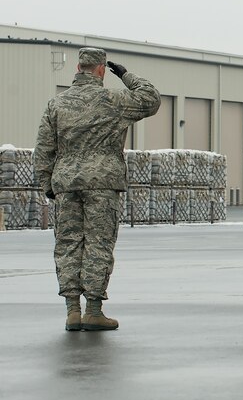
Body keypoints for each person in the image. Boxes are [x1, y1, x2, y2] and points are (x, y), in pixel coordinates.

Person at [34, 48, 160, 331]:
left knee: (67, 244)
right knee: (98, 244)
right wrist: (127, 75)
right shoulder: (115, 100)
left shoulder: (57, 104)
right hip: (102, 183)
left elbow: (43, 150)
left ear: (78, 68)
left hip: (66, 184)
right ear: (102, 69)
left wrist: (48, 185)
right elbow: (151, 99)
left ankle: (72, 311)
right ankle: (93, 309)